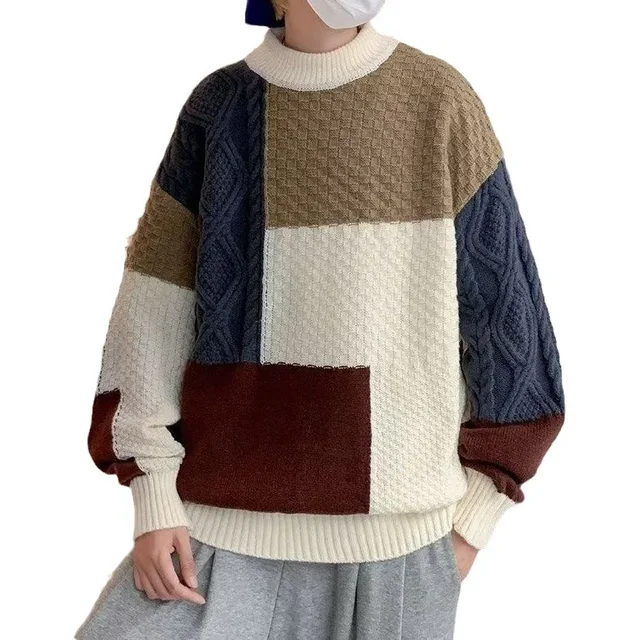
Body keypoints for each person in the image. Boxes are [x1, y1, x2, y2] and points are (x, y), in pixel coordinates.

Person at [74, 1, 566, 638]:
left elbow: (507, 316)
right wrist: (152, 493)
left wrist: (476, 516)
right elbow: (154, 302)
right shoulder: (220, 107)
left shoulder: (438, 100)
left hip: (400, 552)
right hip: (214, 531)